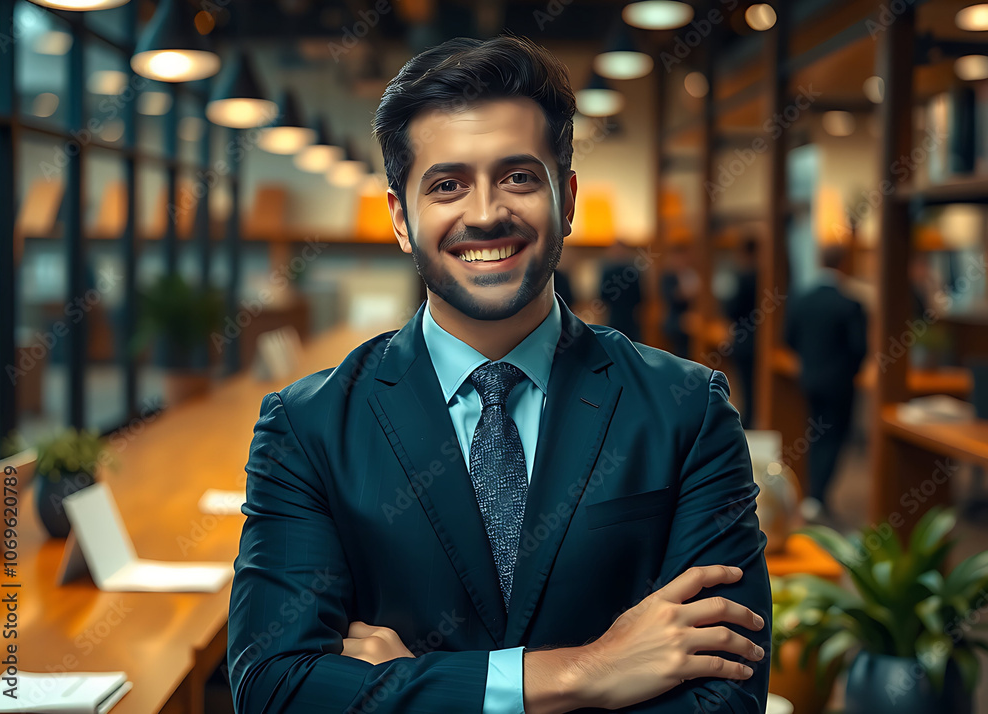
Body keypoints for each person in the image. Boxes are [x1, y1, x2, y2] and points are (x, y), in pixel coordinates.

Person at [228, 35, 770, 714]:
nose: (485, 213)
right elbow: (276, 690)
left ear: (566, 199)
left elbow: (724, 699)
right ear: (402, 218)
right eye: (447, 184)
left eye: (518, 177)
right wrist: (582, 673)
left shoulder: (687, 410)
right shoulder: (306, 428)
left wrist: (415, 688)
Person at [784, 243, 868, 522]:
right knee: (833, 438)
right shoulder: (849, 303)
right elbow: (859, 348)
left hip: (809, 379)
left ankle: (813, 494)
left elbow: (789, 338)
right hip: (839, 384)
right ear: (844, 262)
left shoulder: (802, 300)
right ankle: (817, 495)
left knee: (814, 434)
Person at [723, 238, 759, 429]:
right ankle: (751, 422)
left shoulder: (744, 278)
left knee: (746, 388)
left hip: (744, 341)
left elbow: (731, 310)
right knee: (754, 389)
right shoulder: (766, 278)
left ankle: (748, 425)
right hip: (757, 341)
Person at [599, 238, 645, 342]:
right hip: (621, 317)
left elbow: (639, 296)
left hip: (625, 318)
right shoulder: (632, 271)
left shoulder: (608, 271)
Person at [659, 242, 700, 359]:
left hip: (690, 320)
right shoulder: (668, 276)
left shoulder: (690, 274)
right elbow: (673, 297)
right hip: (674, 322)